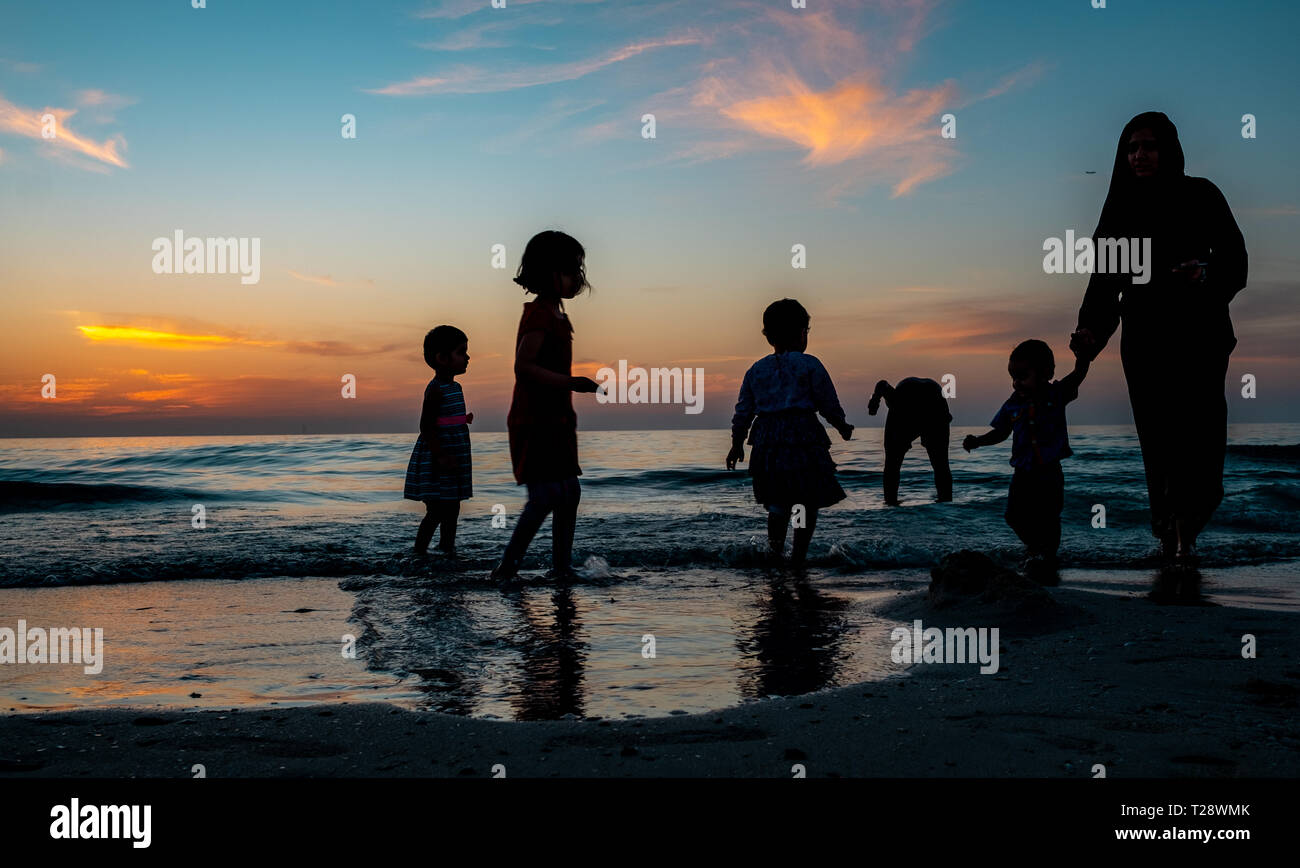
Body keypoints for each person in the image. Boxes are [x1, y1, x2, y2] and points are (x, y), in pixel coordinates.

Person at [1071, 111, 1247, 567]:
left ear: (1168, 149)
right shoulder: (1121, 209)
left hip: (1199, 337)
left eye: (1148, 146)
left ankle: (1188, 527)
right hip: (1146, 341)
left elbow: (1236, 259)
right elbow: (1105, 281)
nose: (1139, 155)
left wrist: (1204, 272)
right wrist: (1092, 327)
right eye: (1131, 148)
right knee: (1160, 442)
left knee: (1202, 437)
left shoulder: (1201, 195)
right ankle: (1174, 538)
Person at [492, 231, 600, 582]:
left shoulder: (558, 315)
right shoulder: (539, 314)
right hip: (533, 419)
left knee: (569, 491)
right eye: (571, 270)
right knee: (545, 495)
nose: (578, 278)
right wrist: (572, 382)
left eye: (578, 269)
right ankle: (507, 568)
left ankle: (561, 567)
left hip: (557, 419)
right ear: (547, 272)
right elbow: (524, 367)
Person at [727, 298, 853, 567]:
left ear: (769, 336)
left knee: (777, 500)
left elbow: (743, 411)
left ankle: (775, 554)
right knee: (805, 499)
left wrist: (737, 444)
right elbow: (827, 401)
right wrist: (841, 425)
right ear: (801, 332)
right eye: (806, 331)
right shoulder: (809, 364)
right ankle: (798, 557)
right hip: (802, 436)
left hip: (767, 440)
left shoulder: (756, 370)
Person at [963, 339, 1089, 582]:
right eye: (1013, 376)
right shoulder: (1012, 404)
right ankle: (1036, 547)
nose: (1016, 382)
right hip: (1023, 471)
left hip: (1050, 471)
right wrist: (978, 441)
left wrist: (1082, 354)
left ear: (1046, 373)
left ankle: (1048, 556)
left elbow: (1078, 374)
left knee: (1050, 516)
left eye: (1022, 375)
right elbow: (1000, 432)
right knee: (1014, 516)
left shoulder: (1056, 394)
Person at [404, 325, 473, 557]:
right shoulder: (435, 389)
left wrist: (462, 419)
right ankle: (419, 552)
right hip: (438, 459)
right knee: (436, 510)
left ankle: (447, 548)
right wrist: (441, 456)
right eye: (461, 352)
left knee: (452, 506)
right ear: (442, 358)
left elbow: (446, 419)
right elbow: (426, 426)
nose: (467, 357)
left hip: (453, 458)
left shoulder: (455, 387)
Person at [868, 377, 952, 504]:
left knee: (892, 465)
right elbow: (882, 385)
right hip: (936, 406)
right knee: (941, 466)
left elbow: (882, 384)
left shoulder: (896, 400)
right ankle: (946, 504)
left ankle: (891, 505)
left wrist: (874, 402)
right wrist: (875, 400)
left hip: (926, 405)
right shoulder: (898, 397)